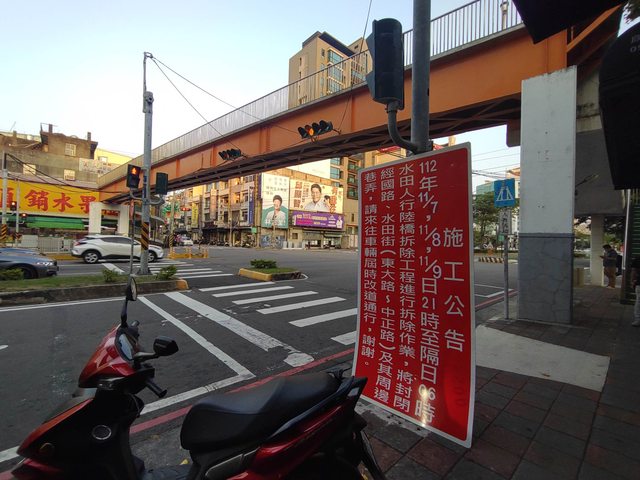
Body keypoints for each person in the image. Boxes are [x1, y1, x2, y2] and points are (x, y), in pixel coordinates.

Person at [632, 256, 640, 327]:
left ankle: (638, 320)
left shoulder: (638, 259)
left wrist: (633, 280)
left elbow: (634, 271)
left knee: (638, 302)